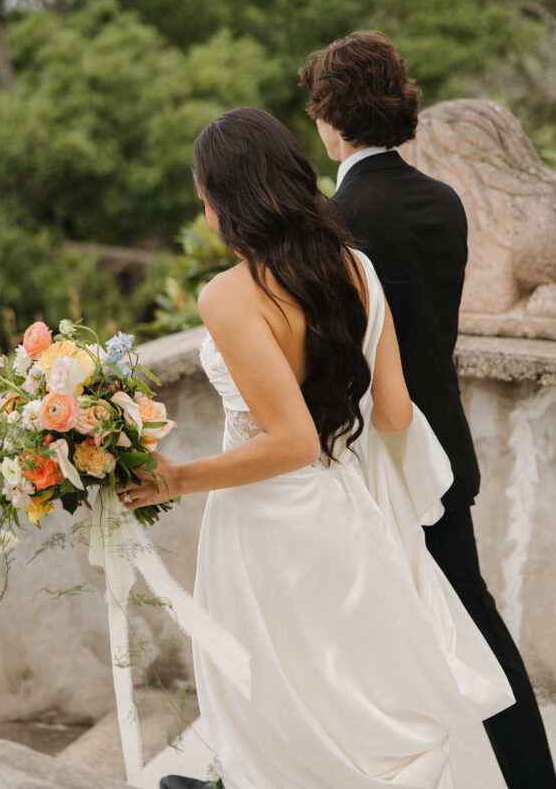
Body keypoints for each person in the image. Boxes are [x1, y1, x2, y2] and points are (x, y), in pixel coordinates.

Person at [120, 107, 513, 789]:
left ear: (223, 199)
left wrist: (174, 478)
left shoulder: (229, 296)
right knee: (339, 692)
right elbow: (393, 415)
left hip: (265, 527)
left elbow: (290, 442)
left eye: (201, 195)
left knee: (274, 690)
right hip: (343, 508)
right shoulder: (355, 267)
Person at [299, 30, 556, 789]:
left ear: (331, 117)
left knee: (311, 624)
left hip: (363, 454)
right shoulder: (442, 202)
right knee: (476, 623)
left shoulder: (333, 221)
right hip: (440, 449)